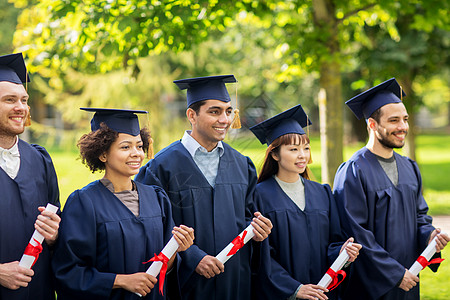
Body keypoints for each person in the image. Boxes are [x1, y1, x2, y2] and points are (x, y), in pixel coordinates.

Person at [135, 75, 273, 300]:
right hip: (186, 283)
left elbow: (247, 216)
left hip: (234, 281)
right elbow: (153, 226)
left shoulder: (241, 164)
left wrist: (257, 230)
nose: (225, 119)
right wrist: (192, 256)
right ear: (192, 115)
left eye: (228, 111)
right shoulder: (161, 167)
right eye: (215, 111)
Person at [51, 108, 195, 300]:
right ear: (103, 154)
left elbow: (165, 267)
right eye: (125, 147)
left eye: (139, 146)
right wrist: (120, 281)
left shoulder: (157, 198)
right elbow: (68, 271)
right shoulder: (84, 203)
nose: (136, 154)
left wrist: (177, 250)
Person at [333, 78, 449, 300]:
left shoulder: (409, 167)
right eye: (394, 120)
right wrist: (395, 274)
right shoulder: (354, 171)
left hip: (409, 279)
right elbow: (357, 235)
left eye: (405, 119)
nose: (403, 127)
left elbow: (420, 217)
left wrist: (429, 236)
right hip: (371, 287)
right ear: (372, 125)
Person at [249, 104, 361, 300]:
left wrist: (342, 253)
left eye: (306, 148)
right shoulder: (259, 195)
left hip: (322, 291)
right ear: (275, 154)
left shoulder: (322, 193)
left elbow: (334, 241)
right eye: (293, 149)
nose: (302, 155)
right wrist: (294, 289)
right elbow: (261, 255)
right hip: (282, 292)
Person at [0, 52, 61, 300]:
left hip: (38, 292)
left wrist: (55, 234)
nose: (21, 108)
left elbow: (58, 224)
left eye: (24, 100)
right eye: (9, 99)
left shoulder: (40, 160)